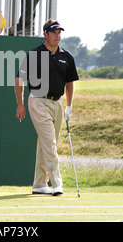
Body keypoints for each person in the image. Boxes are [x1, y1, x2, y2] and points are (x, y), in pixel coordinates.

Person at [15, 19, 79, 195]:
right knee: (50, 143)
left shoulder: (67, 56)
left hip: (57, 103)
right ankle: (57, 182)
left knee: (47, 144)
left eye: (60, 33)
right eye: (54, 32)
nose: (58, 36)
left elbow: (70, 83)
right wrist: (20, 104)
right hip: (38, 100)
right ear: (45, 34)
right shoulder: (35, 54)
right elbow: (19, 80)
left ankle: (39, 184)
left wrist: (69, 106)